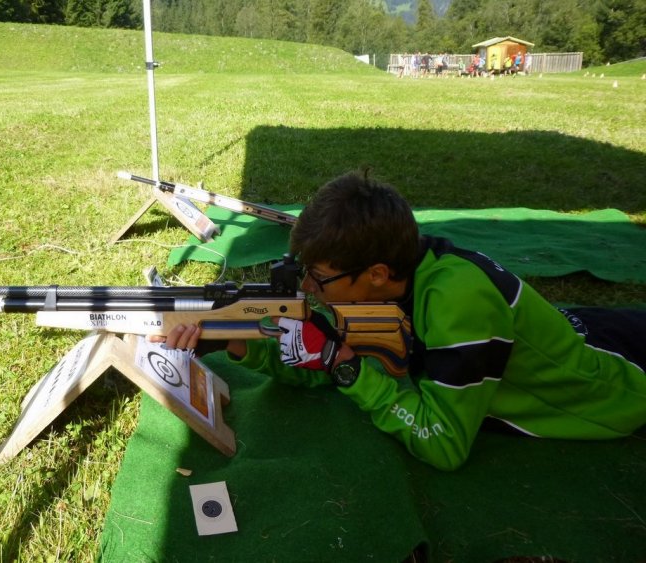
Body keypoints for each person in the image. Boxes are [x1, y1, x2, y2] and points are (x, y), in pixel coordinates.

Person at [160, 172, 646, 471]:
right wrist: (237, 342)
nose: (307, 288)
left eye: (319, 277)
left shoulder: (459, 307)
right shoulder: (392, 279)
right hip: (591, 328)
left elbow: (445, 444)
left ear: (376, 274)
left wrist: (348, 370)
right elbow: (318, 362)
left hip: (615, 390)